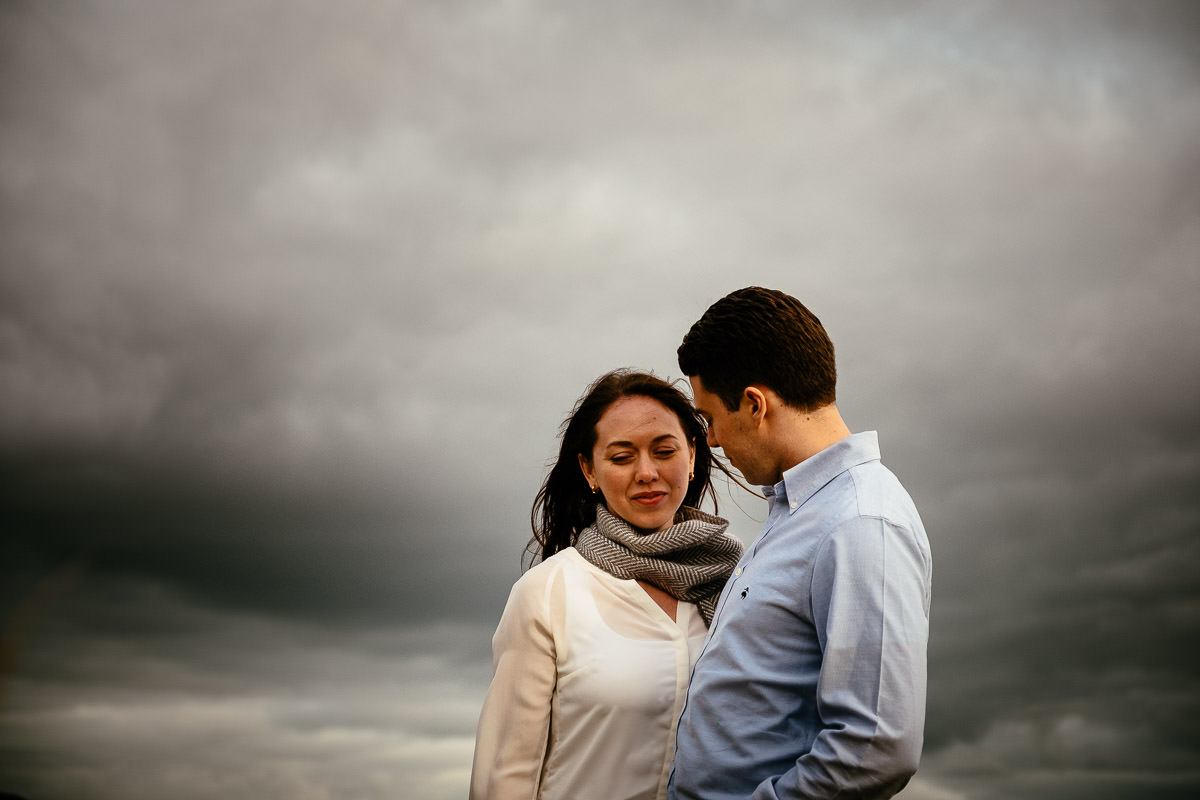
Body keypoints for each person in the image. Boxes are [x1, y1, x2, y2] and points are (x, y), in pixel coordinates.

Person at [668, 287, 933, 800]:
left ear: (753, 404)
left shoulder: (860, 521)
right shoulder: (799, 511)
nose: (714, 439)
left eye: (709, 418)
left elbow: (878, 746)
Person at [470, 369, 745, 800]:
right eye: (621, 458)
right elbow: (503, 778)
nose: (647, 472)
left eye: (665, 451)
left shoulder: (739, 585)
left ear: (692, 455)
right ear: (589, 470)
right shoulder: (547, 593)